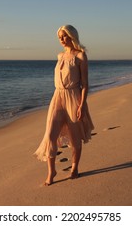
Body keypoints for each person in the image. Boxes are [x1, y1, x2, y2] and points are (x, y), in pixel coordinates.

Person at [34, 25, 94, 185]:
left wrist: (82, 105)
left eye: (64, 36)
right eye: (59, 36)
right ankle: (51, 171)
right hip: (57, 97)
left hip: (73, 97)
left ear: (72, 36)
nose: (61, 39)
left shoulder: (81, 56)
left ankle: (74, 168)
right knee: (50, 135)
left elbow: (85, 84)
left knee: (75, 138)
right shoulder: (60, 55)